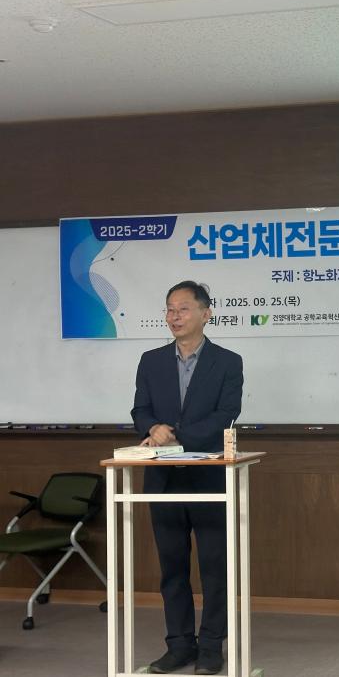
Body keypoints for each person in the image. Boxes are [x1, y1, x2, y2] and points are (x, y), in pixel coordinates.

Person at [131, 281, 243, 675]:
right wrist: (152, 427)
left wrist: (175, 435)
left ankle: (211, 645)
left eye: (182, 309)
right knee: (172, 568)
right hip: (163, 479)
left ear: (206, 313)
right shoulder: (151, 360)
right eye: (169, 309)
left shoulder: (228, 362)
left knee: (215, 567)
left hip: (208, 477)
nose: (174, 317)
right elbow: (140, 409)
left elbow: (226, 414)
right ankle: (179, 645)